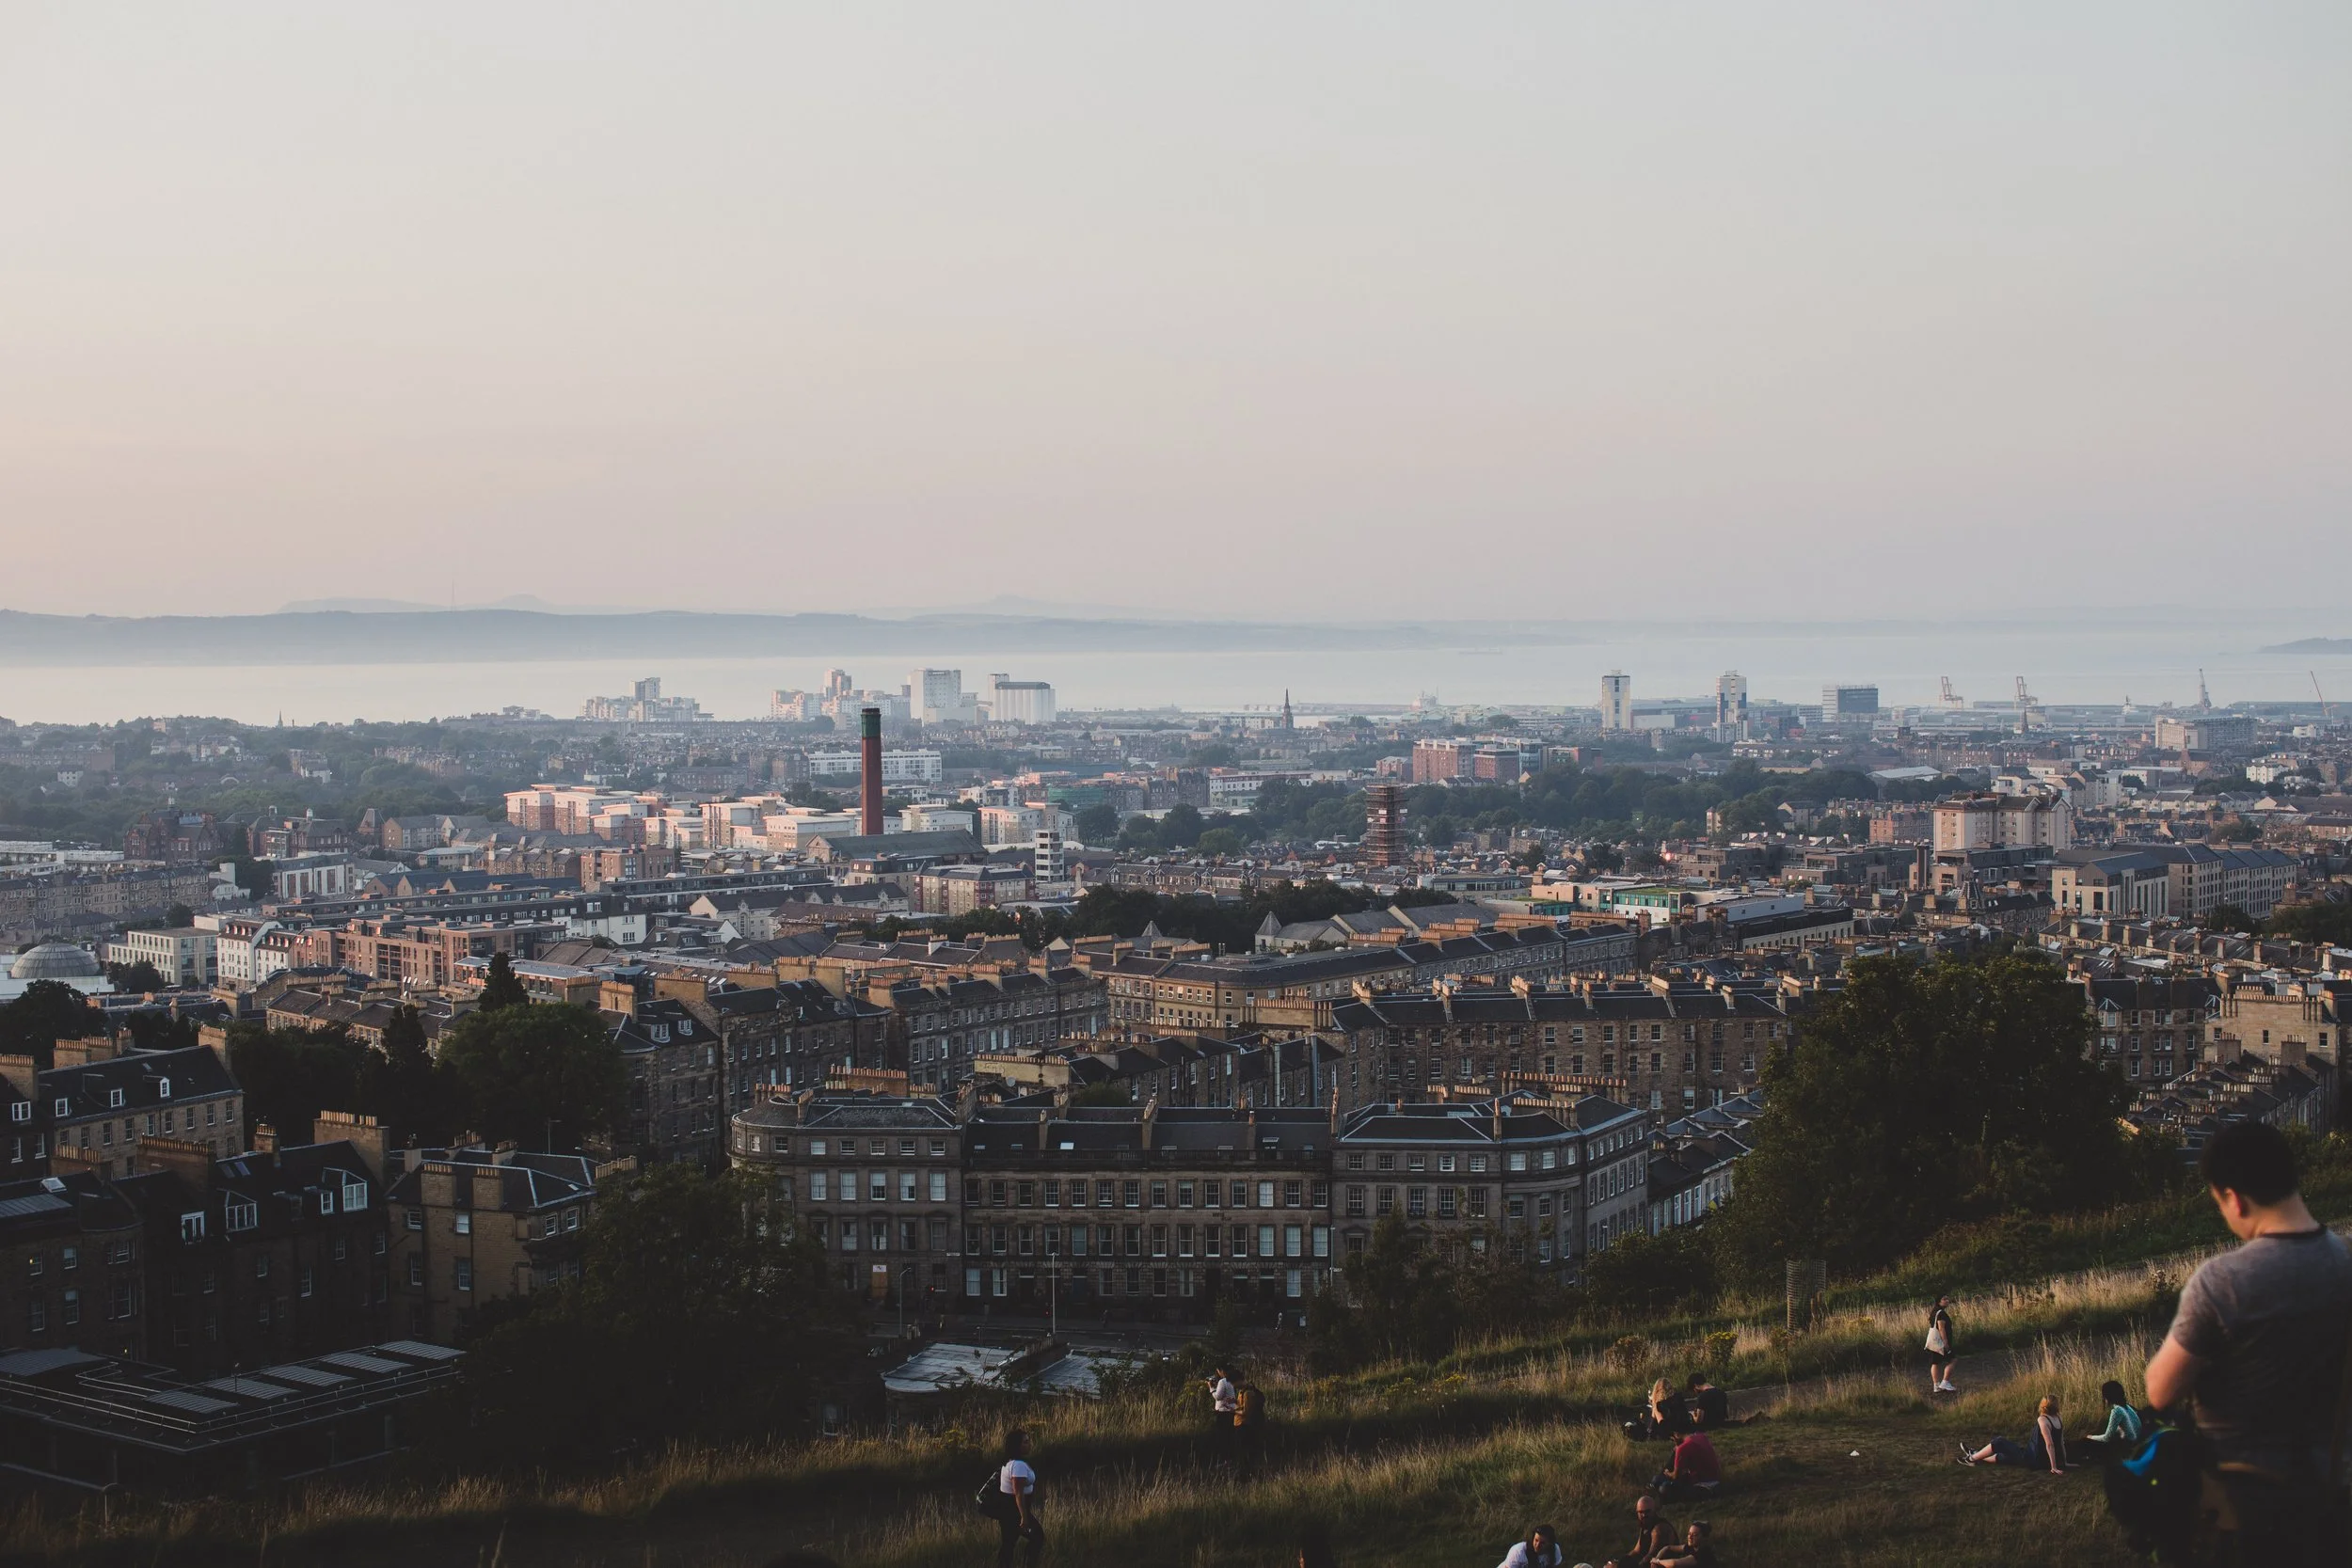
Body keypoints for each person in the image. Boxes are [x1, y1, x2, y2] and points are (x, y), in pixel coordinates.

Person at [2144, 1118, 2352, 1563]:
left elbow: (2160, 1390)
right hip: (2332, 1495)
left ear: (2234, 1199)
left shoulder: (2222, 1282)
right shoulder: (2346, 1263)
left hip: (2241, 1505)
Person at [1960, 1394, 2067, 1472]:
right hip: (2038, 1457)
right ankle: (1976, 1454)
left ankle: (1970, 1459)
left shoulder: (2043, 1420)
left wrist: (2053, 1467)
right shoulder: (2059, 1418)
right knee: (2004, 1457)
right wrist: (2064, 1461)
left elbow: (2050, 1444)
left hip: (2033, 1458)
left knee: (1999, 1442)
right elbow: (2060, 1442)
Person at [994, 1429, 1043, 1568]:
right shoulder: (1018, 1465)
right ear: (1017, 1445)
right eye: (1025, 1442)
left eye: (1028, 1441)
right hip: (1015, 1512)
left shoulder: (1010, 1462)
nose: (1029, 1444)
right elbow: (1018, 1493)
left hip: (1007, 1511)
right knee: (1037, 1537)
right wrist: (1024, 1518)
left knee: (1008, 1544)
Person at [1601, 1494, 1676, 1568]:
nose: (1644, 1515)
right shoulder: (1646, 1526)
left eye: (1647, 1512)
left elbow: (1652, 1558)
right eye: (1641, 1512)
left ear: (1654, 1510)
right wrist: (1619, 1563)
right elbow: (1637, 1552)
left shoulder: (1659, 1529)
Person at [2078, 1379, 2144, 1464]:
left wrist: (2091, 1437)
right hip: (2136, 1442)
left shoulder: (2117, 1411)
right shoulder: (2127, 1407)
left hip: (2129, 1447)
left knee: (2086, 1441)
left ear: (2108, 1397)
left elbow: (2107, 1438)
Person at [1650, 1428, 1723, 1501]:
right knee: (1657, 1479)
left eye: (1673, 1439)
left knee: (1664, 1487)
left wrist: (1668, 1473)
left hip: (1702, 1485)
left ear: (1676, 1435)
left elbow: (1675, 1476)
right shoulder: (1701, 1436)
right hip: (1715, 1480)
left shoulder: (1682, 1448)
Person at [1648, 1521, 1717, 1568]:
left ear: (1704, 1537)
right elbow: (1667, 1548)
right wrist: (1656, 1559)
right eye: (1689, 1533)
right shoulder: (1691, 1547)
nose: (1690, 1537)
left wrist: (1657, 1561)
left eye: (1694, 1535)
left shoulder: (1703, 1553)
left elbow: (1673, 1564)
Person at [1926, 1293, 1958, 1395]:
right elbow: (1941, 1328)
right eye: (1944, 1299)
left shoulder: (1934, 1312)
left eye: (1947, 1299)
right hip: (1941, 1342)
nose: (1947, 1300)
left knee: (1935, 1363)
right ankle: (1945, 1382)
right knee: (1953, 1360)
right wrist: (1946, 1343)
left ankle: (1936, 1385)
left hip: (1934, 1343)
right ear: (1939, 1301)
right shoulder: (1941, 1314)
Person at [1494, 1524, 1565, 1568]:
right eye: (1536, 1540)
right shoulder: (1518, 1551)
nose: (1537, 1545)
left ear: (1550, 1543)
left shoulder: (1555, 1550)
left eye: (1543, 1543)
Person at [1206, 1365, 1238, 1458]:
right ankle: (1231, 1458)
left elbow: (1218, 1397)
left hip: (1223, 1412)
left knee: (1223, 1437)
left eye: (1218, 1371)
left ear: (1221, 1370)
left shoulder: (1222, 1381)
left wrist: (1211, 1388)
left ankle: (1225, 1458)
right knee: (1230, 1436)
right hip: (1231, 1411)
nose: (1218, 1373)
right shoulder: (1231, 1380)